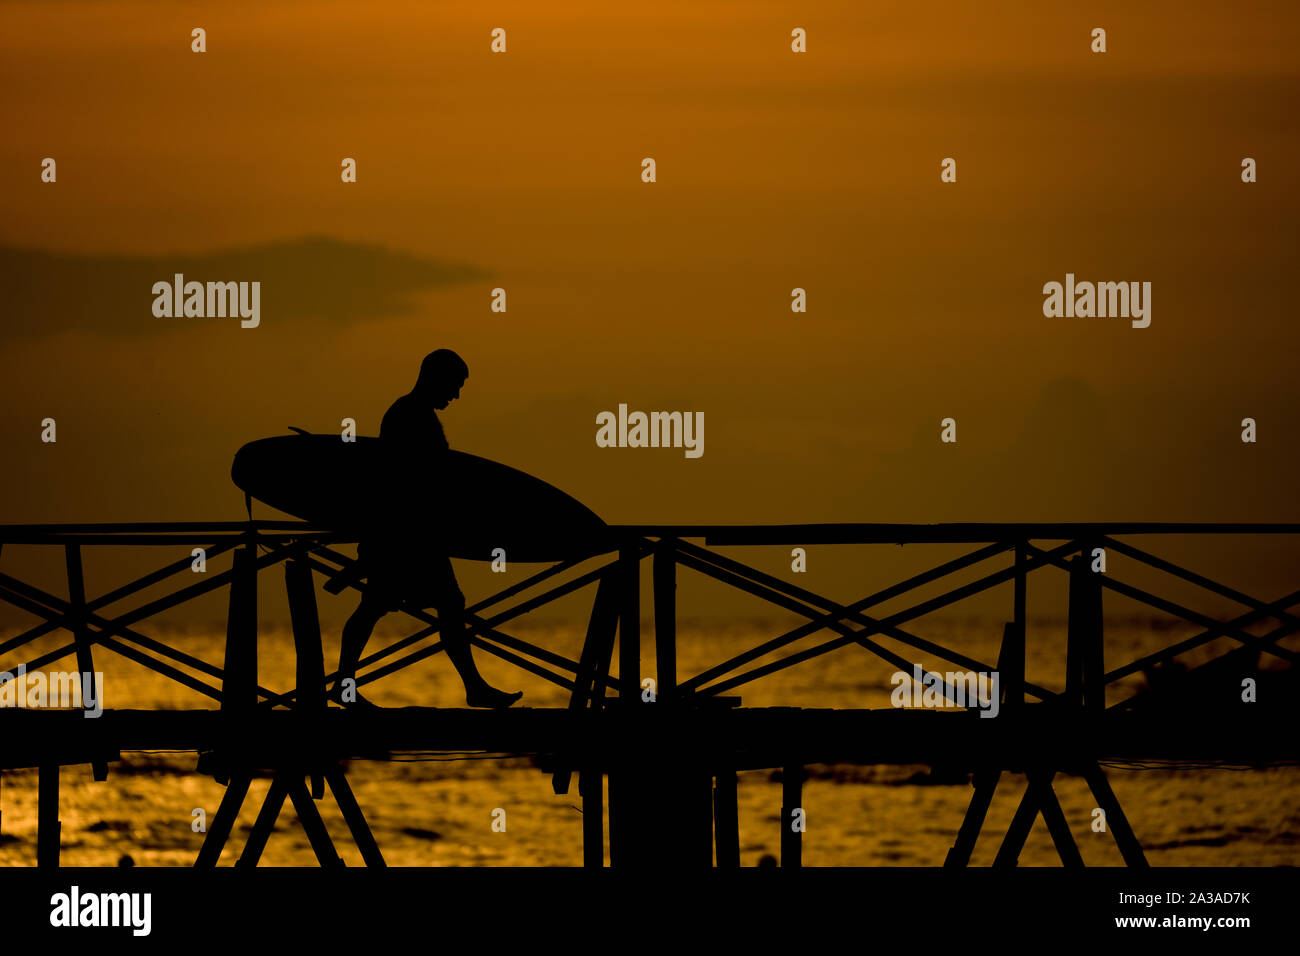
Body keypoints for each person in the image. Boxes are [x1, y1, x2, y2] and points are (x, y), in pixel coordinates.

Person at [328, 349, 523, 709]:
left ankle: (346, 684)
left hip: (408, 535)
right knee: (395, 606)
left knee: (381, 606)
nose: (456, 394)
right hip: (406, 537)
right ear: (435, 377)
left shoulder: (412, 413)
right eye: (455, 385)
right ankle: (472, 687)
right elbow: (407, 482)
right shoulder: (409, 415)